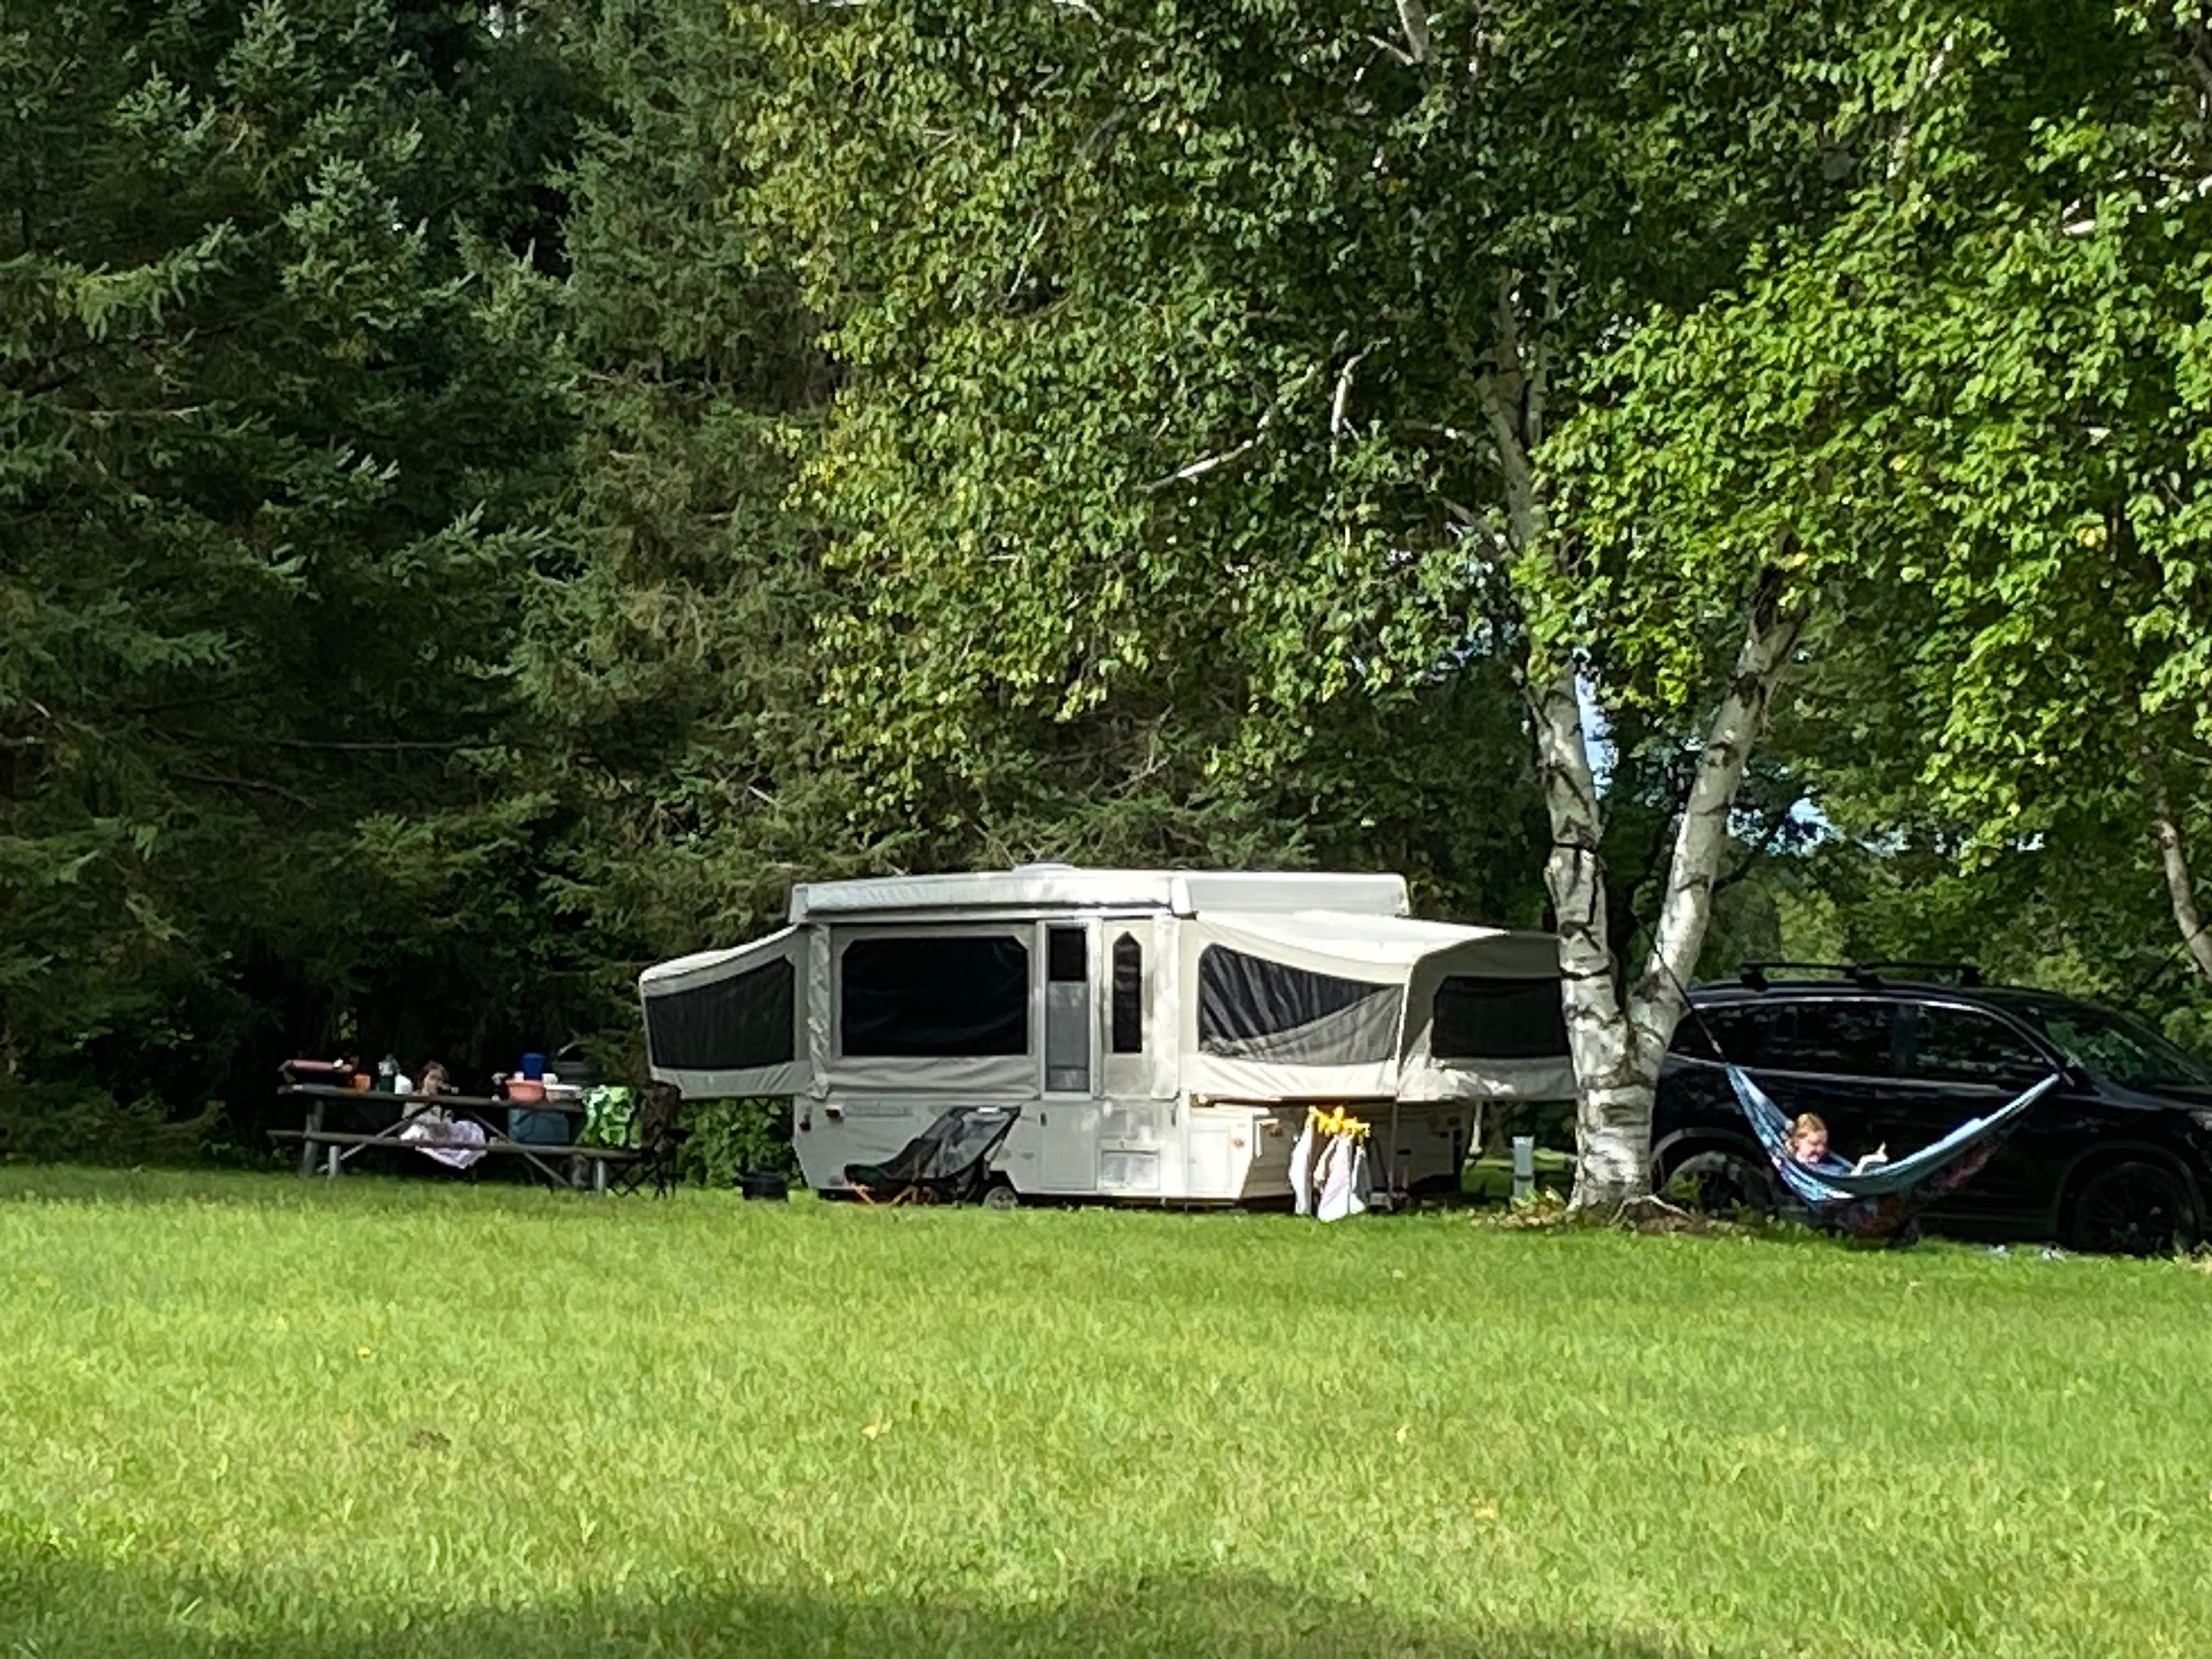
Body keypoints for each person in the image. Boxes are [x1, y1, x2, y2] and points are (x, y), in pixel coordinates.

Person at [1787, 1112, 1889, 1175]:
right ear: (1797, 1142)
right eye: (1814, 1144)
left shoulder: (1829, 1162)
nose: (1820, 1149)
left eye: (1824, 1144)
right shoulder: (1791, 1162)